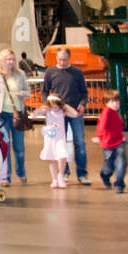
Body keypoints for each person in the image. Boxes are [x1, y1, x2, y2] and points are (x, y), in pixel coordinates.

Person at [0, 48, 29, 185]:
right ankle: (6, 177)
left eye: (13, 59)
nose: (11, 62)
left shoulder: (21, 74)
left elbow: (28, 91)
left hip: (17, 115)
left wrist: (23, 94)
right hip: (1, 116)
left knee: (19, 148)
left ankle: (21, 172)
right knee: (4, 147)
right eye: (8, 59)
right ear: (2, 60)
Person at [44, 46, 90, 185]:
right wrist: (47, 105)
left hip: (75, 112)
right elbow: (45, 91)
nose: (62, 62)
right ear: (56, 58)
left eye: (65, 60)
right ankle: (64, 173)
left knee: (80, 143)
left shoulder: (77, 73)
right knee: (60, 143)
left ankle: (82, 174)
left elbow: (84, 92)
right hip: (57, 115)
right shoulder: (50, 72)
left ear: (69, 58)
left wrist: (83, 104)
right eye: (59, 59)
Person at [37, 93, 78, 188]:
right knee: (52, 159)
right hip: (50, 139)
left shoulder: (62, 112)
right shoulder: (47, 111)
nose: (54, 107)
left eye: (56, 105)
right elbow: (35, 114)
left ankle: (61, 175)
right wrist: (43, 108)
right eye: (52, 105)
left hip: (60, 138)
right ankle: (54, 179)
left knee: (62, 156)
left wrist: (65, 106)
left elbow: (75, 114)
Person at [95, 97, 126, 192]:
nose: (116, 104)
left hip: (119, 142)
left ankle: (119, 184)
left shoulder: (116, 113)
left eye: (118, 102)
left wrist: (122, 136)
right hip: (108, 143)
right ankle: (105, 174)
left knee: (121, 163)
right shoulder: (106, 113)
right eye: (113, 102)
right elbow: (102, 126)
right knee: (109, 164)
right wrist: (100, 137)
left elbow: (118, 127)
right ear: (106, 102)